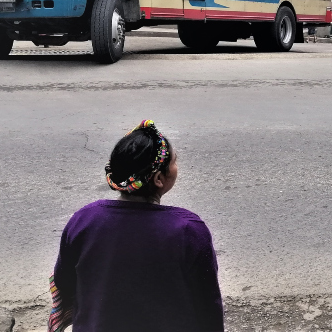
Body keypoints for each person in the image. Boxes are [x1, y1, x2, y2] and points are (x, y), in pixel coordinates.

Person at [48, 120, 225, 332]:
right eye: (175, 161)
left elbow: (64, 282)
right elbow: (207, 305)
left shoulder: (84, 220)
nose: (177, 165)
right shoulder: (188, 230)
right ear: (159, 178)